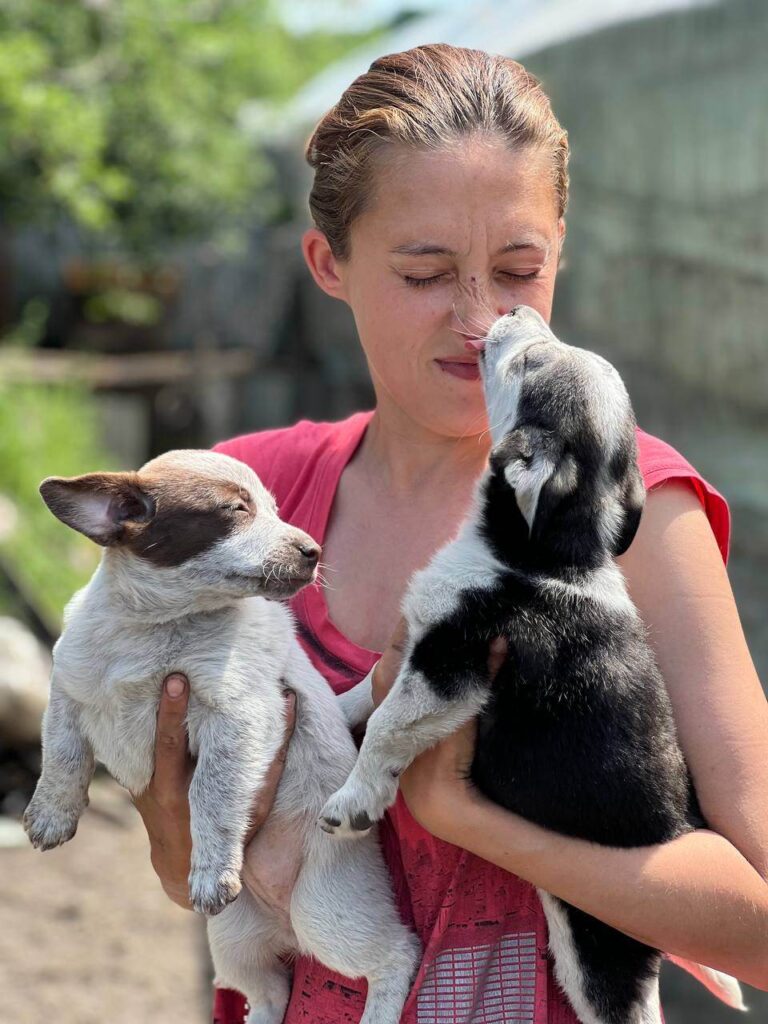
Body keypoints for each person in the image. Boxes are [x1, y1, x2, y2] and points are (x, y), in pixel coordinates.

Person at [133, 44, 768, 1023]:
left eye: (520, 269)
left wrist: (467, 816)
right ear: (328, 264)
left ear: (562, 245)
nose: (480, 318)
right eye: (425, 273)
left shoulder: (631, 505)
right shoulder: (250, 500)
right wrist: (187, 817)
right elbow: (185, 874)